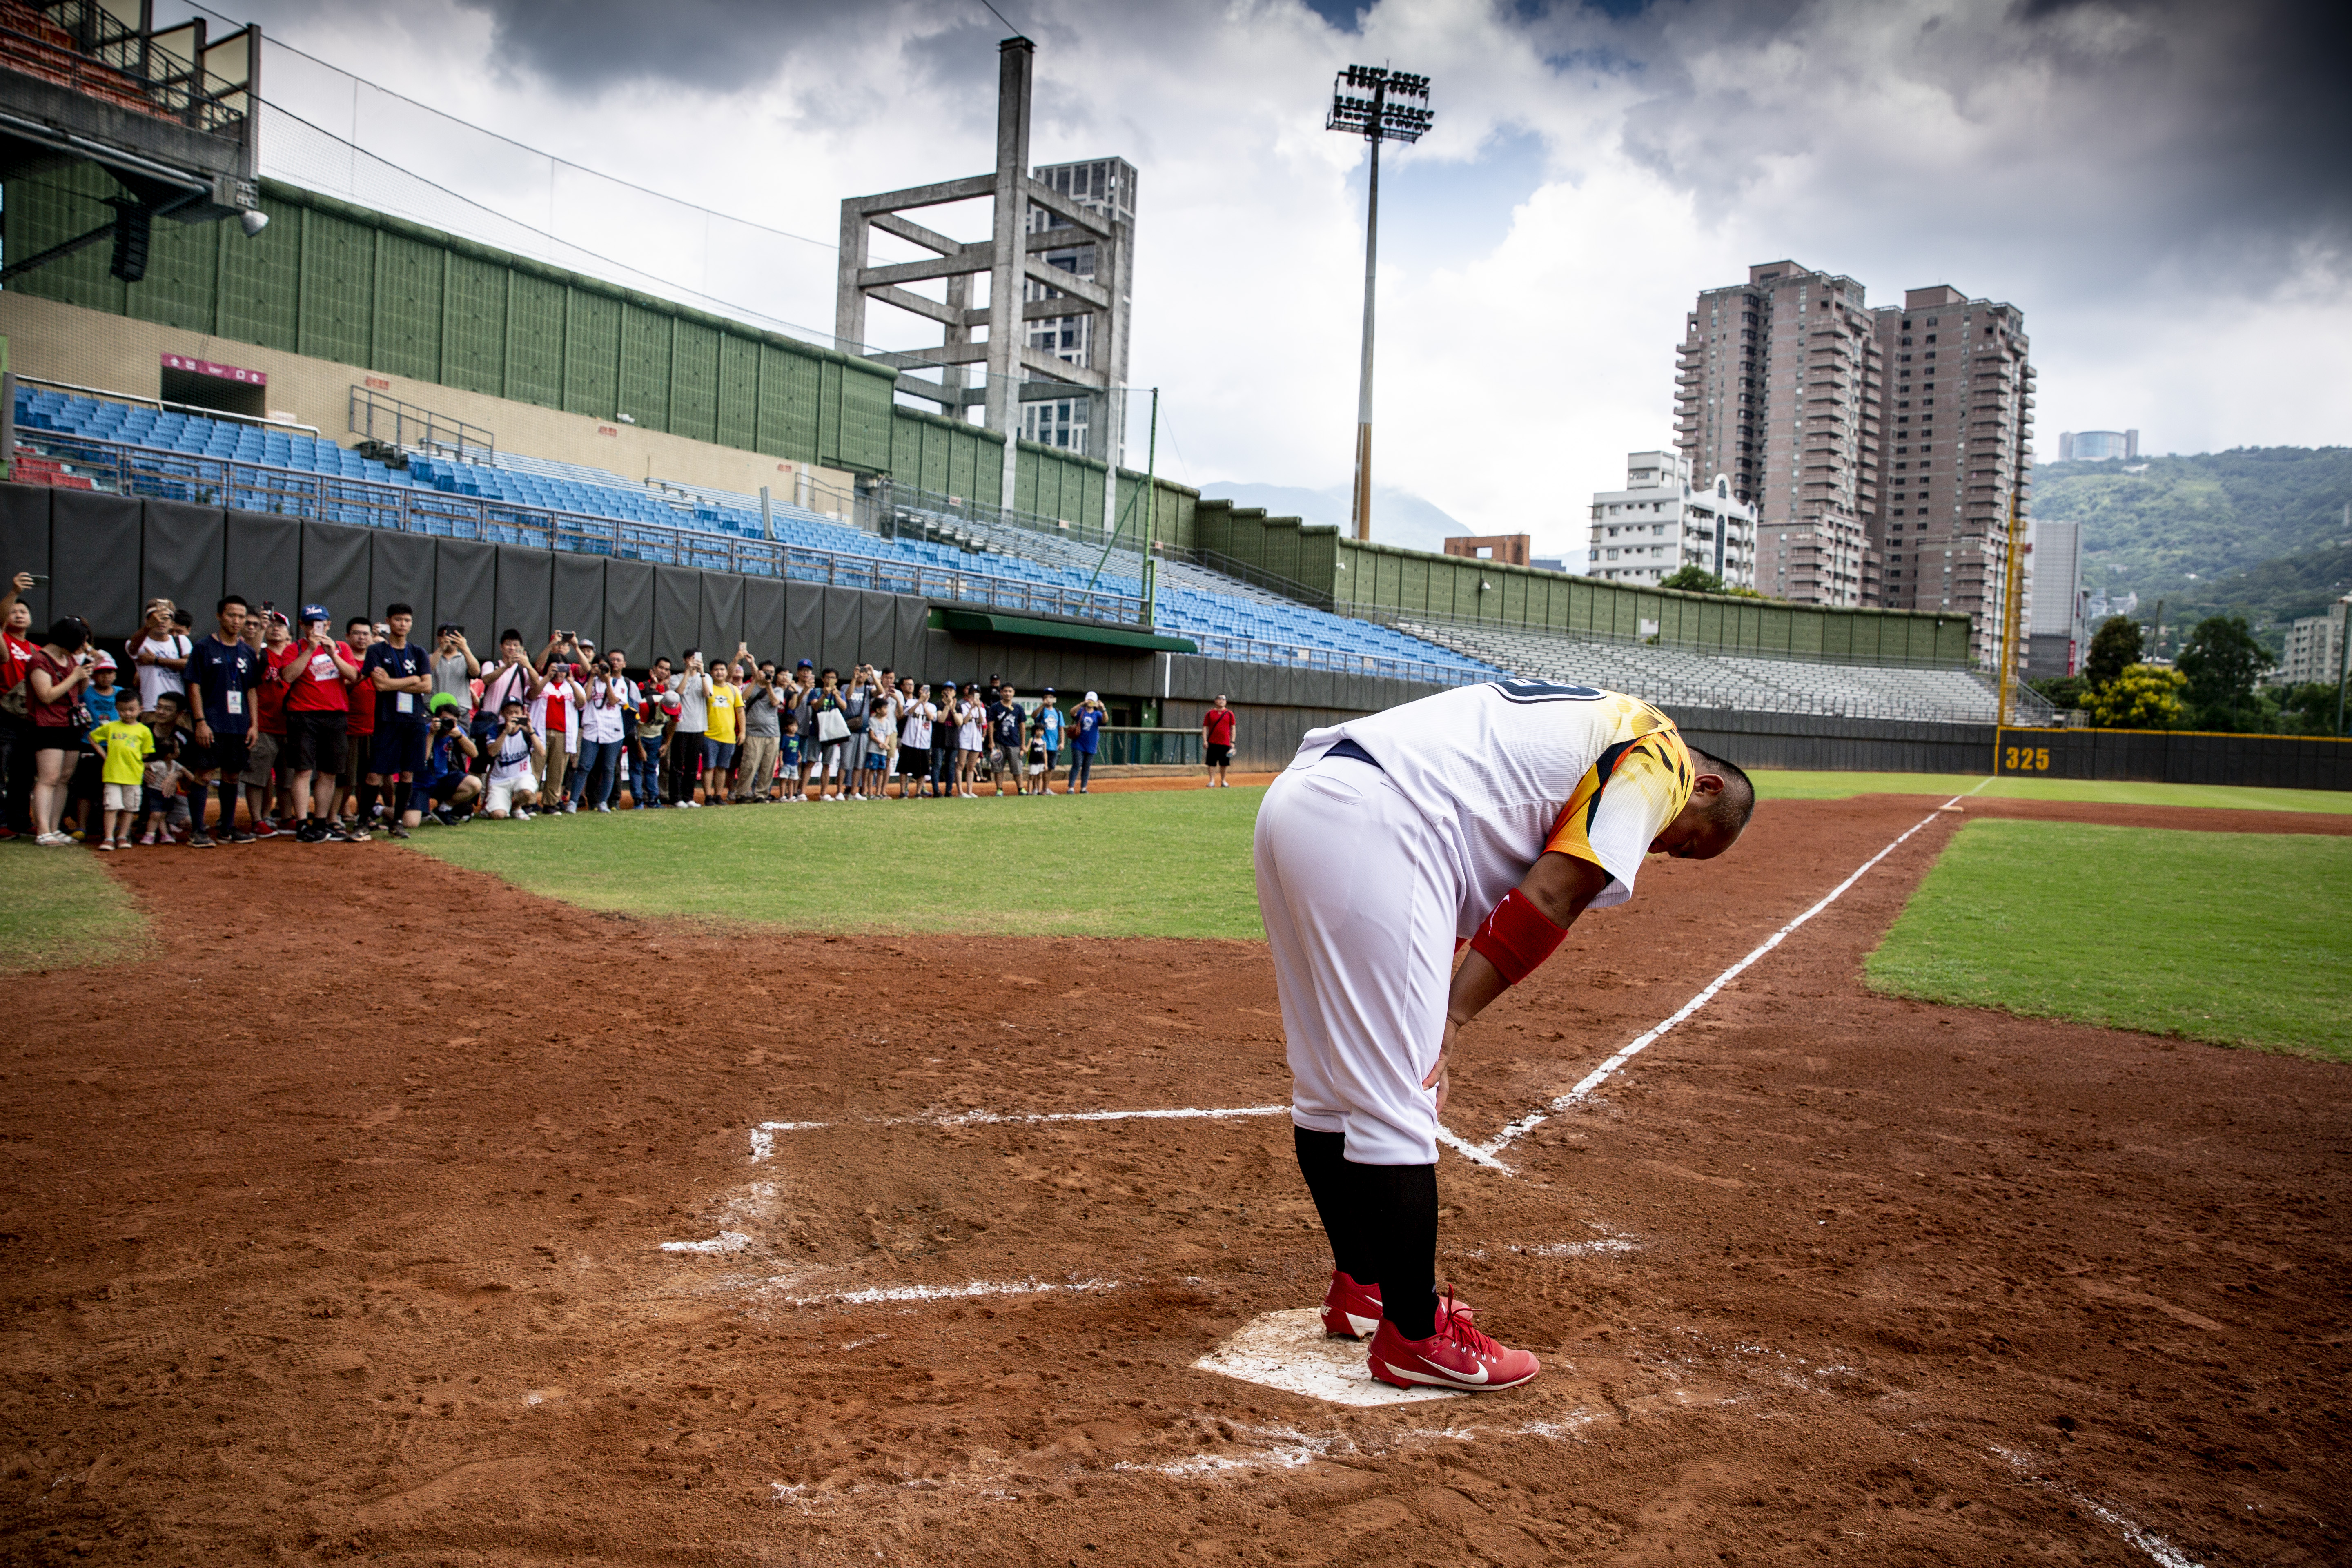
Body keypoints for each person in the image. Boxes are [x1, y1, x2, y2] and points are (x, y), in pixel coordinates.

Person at [1254, 681, 1755, 1393]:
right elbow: (1555, 894)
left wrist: (1433, 1003)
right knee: (1401, 1097)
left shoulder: (1599, 724)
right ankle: (1417, 1338)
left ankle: (1365, 1286)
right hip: (1384, 820)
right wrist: (1447, 1022)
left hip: (1303, 801)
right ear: (1703, 787)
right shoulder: (1661, 757)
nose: (1666, 852)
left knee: (1329, 1086)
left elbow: (1451, 886)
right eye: (1688, 843)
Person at [273, 606, 360, 843]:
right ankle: (302, 824)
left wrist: (333, 655)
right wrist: (310, 649)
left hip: (335, 715)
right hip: (304, 715)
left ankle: (321, 822)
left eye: (320, 624)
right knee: (302, 770)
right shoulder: (295, 648)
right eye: (310, 624)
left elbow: (353, 676)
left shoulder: (341, 648)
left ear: (329, 625)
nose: (315, 628)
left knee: (330, 772)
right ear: (302, 626)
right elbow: (288, 676)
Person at [182, 595, 262, 846]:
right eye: (231, 615)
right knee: (204, 775)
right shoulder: (204, 648)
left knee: (232, 776)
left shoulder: (248, 652)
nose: (237, 621)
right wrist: (200, 721)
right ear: (219, 616)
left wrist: (254, 724)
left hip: (239, 724)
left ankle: (228, 829)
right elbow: (193, 686)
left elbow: (251, 689)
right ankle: (198, 830)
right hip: (213, 722)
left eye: (242, 617)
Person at [363, 603, 435, 839]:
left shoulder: (419, 652)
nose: (403, 624)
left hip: (414, 720)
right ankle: (363, 822)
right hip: (387, 719)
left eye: (407, 620)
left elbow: (427, 686)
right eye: (398, 620)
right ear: (388, 621)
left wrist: (398, 682)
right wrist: (412, 679)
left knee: (407, 775)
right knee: (375, 773)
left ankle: (397, 823)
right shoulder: (376, 651)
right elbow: (379, 686)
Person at [25, 616, 95, 844]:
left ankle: (54, 829)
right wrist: (75, 676)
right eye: (79, 642)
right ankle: (43, 830)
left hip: (70, 724)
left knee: (64, 779)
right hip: (48, 725)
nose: (80, 647)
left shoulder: (69, 659)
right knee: (49, 778)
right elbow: (46, 696)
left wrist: (84, 674)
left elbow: (77, 690)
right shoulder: (39, 660)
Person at [86, 688, 153, 851]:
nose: (128, 714)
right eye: (123, 710)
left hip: (133, 776)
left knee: (130, 808)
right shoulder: (111, 727)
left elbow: (146, 754)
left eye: (132, 710)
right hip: (113, 774)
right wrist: (105, 755)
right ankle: (109, 837)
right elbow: (92, 737)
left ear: (140, 709)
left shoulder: (144, 731)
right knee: (111, 807)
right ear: (116, 709)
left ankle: (123, 836)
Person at [2, 571, 42, 838]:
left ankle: (20, 822)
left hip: (30, 717)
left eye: (23, 611)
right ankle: (1, 822)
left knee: (24, 773)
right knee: (1, 769)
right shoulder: (3, 640)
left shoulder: (38, 650)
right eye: (13, 611)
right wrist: (14, 593)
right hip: (4, 714)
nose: (18, 614)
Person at [573, 650, 632, 812]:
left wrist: (607, 681)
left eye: (604, 666)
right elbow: (585, 698)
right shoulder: (591, 682)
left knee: (608, 768)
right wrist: (591, 676)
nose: (601, 669)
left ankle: (603, 802)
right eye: (598, 666)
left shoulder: (618, 683)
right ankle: (572, 802)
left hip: (613, 731)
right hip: (592, 729)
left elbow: (614, 701)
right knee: (584, 766)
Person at [337, 616, 378, 836]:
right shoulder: (342, 659)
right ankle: (336, 816)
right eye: (357, 633)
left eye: (366, 633)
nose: (362, 637)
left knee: (368, 778)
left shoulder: (378, 658)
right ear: (347, 636)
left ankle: (365, 816)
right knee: (346, 779)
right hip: (348, 728)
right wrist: (361, 677)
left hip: (374, 727)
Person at [413, 694, 482, 821]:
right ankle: (382, 811)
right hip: (422, 783)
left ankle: (444, 809)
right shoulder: (425, 730)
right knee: (411, 822)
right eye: (444, 720)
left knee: (475, 784)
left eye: (452, 721)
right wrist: (432, 734)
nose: (448, 724)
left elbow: (474, 754)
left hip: (444, 780)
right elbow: (422, 759)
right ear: (436, 719)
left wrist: (460, 737)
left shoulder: (456, 730)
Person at [536, 633, 585, 811]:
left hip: (563, 733)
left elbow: (581, 703)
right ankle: (529, 802)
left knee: (557, 772)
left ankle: (550, 803)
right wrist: (547, 677)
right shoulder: (542, 683)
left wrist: (572, 682)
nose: (559, 672)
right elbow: (532, 694)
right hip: (540, 732)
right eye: (556, 668)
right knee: (536, 768)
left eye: (563, 668)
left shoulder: (572, 686)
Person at [479, 697, 545, 820]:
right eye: (510, 712)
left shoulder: (527, 731)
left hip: (522, 776)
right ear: (503, 713)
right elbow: (492, 752)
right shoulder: (496, 730)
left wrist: (531, 730)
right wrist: (505, 732)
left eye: (517, 712)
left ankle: (516, 807)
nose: (513, 715)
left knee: (526, 792)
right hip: (500, 779)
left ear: (522, 713)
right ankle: (500, 806)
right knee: (498, 815)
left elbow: (541, 752)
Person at [137, 722, 196, 846]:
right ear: (169, 754)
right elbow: (141, 766)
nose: (179, 750)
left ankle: (165, 835)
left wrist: (187, 777)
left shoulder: (175, 764)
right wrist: (143, 773)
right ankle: (149, 835)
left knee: (162, 815)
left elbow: (190, 776)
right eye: (177, 748)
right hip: (155, 793)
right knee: (156, 814)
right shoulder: (159, 765)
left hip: (166, 794)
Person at [129, 598, 190, 713]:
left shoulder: (181, 641)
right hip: (151, 707)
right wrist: (147, 627)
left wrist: (156, 660)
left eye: (166, 618)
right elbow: (131, 649)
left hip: (178, 709)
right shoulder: (141, 642)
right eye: (155, 618)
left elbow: (189, 664)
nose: (160, 622)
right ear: (147, 620)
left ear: (172, 623)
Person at [735, 660, 782, 803]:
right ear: (759, 672)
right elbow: (743, 698)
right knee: (749, 765)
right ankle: (741, 794)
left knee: (768, 767)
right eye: (766, 672)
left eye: (772, 673)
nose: (770, 675)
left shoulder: (777, 689)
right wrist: (755, 681)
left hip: (772, 733)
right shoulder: (750, 686)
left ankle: (761, 794)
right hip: (753, 733)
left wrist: (768, 686)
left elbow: (775, 703)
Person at [667, 648, 709, 808]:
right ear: (685, 660)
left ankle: (689, 797)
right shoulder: (676, 678)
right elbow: (678, 694)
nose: (695, 661)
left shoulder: (705, 677)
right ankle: (676, 798)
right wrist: (688, 672)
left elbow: (707, 694)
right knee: (678, 765)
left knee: (692, 766)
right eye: (691, 659)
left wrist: (702, 672)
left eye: (698, 658)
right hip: (681, 727)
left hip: (699, 727)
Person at [702, 654, 744, 806]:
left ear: (727, 672)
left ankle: (718, 795)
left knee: (722, 767)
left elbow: (740, 711)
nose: (719, 672)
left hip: (728, 736)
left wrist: (743, 732)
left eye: (722, 669)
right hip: (709, 735)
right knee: (708, 767)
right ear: (711, 672)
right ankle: (708, 796)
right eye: (716, 670)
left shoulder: (733, 690)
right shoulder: (707, 688)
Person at [633, 656, 673, 809]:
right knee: (637, 768)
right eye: (661, 668)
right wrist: (653, 687)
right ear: (654, 669)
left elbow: (673, 720)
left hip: (658, 735)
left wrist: (666, 743)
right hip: (641, 733)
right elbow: (638, 710)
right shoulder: (642, 685)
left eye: (667, 669)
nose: (663, 671)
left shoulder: (669, 691)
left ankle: (654, 799)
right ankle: (638, 800)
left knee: (652, 768)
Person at [807, 667, 850, 802]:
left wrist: (836, 695)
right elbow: (815, 706)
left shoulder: (841, 693)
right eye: (828, 677)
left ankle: (824, 793)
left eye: (833, 678)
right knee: (811, 762)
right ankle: (802, 792)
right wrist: (824, 695)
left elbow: (844, 707)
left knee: (827, 764)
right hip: (816, 731)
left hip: (832, 734)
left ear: (837, 680)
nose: (830, 680)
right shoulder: (816, 691)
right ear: (823, 679)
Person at [431, 624, 479, 720]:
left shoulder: (466, 659)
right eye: (444, 635)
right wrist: (441, 648)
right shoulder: (431, 657)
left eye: (453, 635)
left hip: (460, 713)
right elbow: (427, 670)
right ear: (438, 638)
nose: (448, 638)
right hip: (434, 712)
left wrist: (464, 648)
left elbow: (476, 672)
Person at [987, 684, 1026, 797]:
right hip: (999, 743)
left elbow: (1022, 727)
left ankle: (1021, 788)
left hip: (1014, 743)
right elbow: (991, 724)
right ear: (1001, 692)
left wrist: (1023, 744)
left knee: (1017, 768)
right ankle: (999, 789)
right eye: (1005, 691)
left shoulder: (1018, 708)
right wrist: (991, 742)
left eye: (1010, 691)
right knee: (998, 768)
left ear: (1013, 693)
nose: (1008, 694)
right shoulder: (995, 707)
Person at [1069, 691, 1105, 794]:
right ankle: (1071, 787)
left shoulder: (1098, 714)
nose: (1091, 703)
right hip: (1078, 743)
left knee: (1087, 767)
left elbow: (1105, 721)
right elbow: (1072, 713)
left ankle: (1083, 788)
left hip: (1091, 744)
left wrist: (1104, 709)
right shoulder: (1081, 711)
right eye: (1089, 700)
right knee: (1077, 764)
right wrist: (1082, 704)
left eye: (1093, 701)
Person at [955, 683, 985, 798]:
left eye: (977, 694)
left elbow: (982, 722)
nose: (975, 697)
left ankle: (970, 791)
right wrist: (972, 708)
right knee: (961, 765)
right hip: (965, 737)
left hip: (976, 739)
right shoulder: (963, 706)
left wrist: (977, 707)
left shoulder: (982, 709)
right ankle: (960, 792)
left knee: (971, 767)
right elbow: (965, 721)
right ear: (969, 695)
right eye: (973, 694)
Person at [1033, 688, 1064, 796]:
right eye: (1046, 697)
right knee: (1039, 768)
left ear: (1055, 699)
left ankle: (1046, 789)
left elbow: (1061, 728)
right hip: (1041, 744)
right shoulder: (1041, 710)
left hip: (1053, 745)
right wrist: (1042, 705)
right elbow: (1034, 716)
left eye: (1051, 697)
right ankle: (1036, 789)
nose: (1049, 699)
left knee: (1050, 768)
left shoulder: (1058, 713)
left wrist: (1062, 742)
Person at [1203, 694, 1237, 788]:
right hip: (1212, 742)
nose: (1222, 701)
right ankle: (1212, 781)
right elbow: (1205, 727)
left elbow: (1233, 728)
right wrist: (1205, 740)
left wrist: (1232, 742)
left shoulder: (1230, 714)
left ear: (1226, 702)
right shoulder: (1210, 713)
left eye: (1224, 699)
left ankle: (1223, 781)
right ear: (1216, 701)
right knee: (1211, 763)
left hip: (1225, 743)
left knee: (1224, 763)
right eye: (1219, 699)